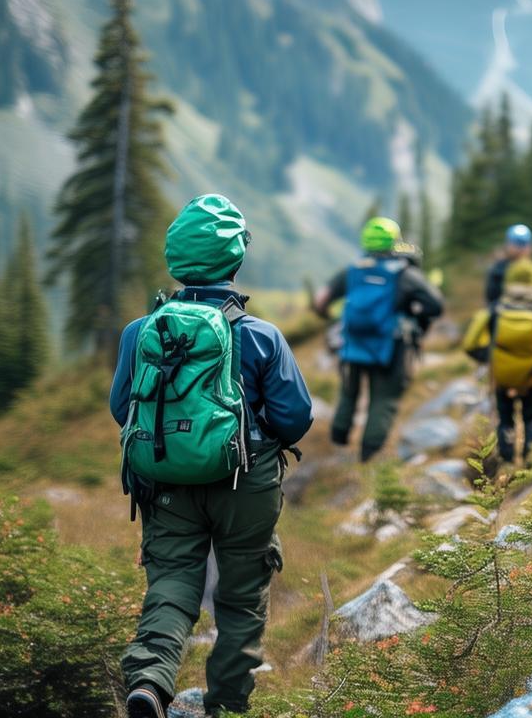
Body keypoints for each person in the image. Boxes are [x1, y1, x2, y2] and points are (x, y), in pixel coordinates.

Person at [111, 194, 313, 718]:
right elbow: (296, 418)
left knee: (174, 582)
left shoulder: (141, 333)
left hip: (164, 481)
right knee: (242, 597)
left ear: (176, 261)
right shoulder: (260, 335)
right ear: (235, 260)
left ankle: (151, 680)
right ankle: (224, 704)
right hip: (245, 482)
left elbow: (121, 410)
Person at [314, 217, 443, 462]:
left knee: (349, 393)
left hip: (353, 344)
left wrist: (328, 317)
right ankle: (369, 456)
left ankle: (337, 442)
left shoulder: (352, 269)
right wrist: (415, 314)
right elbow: (435, 305)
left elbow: (321, 300)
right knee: (383, 399)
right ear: (395, 240)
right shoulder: (405, 273)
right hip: (391, 346)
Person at [462, 259, 532, 465]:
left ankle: (507, 461)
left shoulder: (493, 312)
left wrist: (489, 356)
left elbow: (470, 344)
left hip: (502, 377)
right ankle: (530, 460)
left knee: (505, 418)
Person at [485, 223, 532, 306]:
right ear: (507, 245)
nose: (520, 249)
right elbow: (491, 300)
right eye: (517, 244)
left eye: (523, 244)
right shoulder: (497, 271)